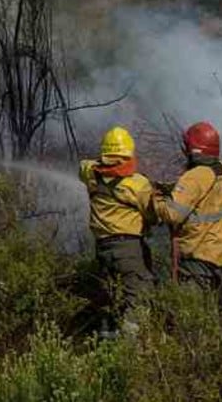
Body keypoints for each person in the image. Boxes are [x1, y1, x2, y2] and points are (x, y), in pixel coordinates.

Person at [79, 126, 157, 322]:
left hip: (103, 247)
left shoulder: (90, 173)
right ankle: (129, 347)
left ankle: (107, 340)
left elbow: (84, 165)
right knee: (139, 294)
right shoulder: (137, 184)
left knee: (112, 296)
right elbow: (153, 215)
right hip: (129, 248)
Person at [151, 122, 222, 291]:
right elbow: (206, 201)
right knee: (207, 311)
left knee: (189, 310)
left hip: (198, 256)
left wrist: (157, 197)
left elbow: (172, 214)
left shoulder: (196, 176)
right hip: (219, 256)